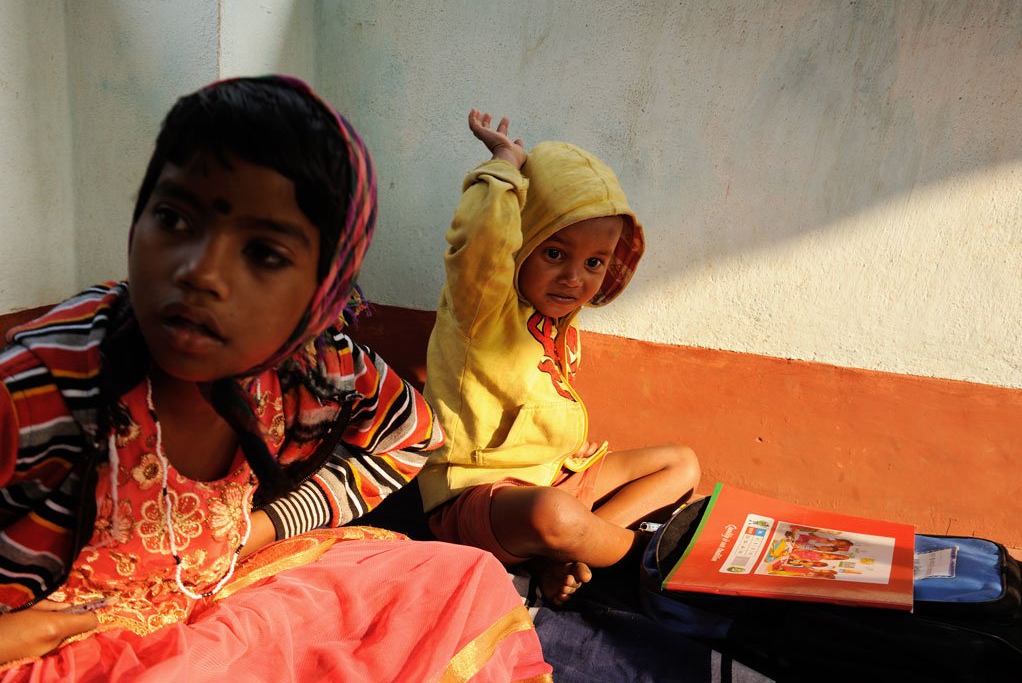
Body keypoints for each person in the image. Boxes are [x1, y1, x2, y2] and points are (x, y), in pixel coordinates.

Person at [0, 78, 551, 682]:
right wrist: (35, 629)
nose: (201, 272)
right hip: (48, 652)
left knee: (462, 580)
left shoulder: (311, 370)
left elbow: (410, 437)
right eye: (173, 217)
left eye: (264, 253)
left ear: (322, 293)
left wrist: (260, 528)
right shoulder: (42, 393)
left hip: (212, 602)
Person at [416, 110, 701, 604]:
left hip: (558, 474)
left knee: (681, 463)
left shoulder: (557, 319)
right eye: (554, 253)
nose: (575, 278)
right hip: (483, 496)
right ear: (520, 240)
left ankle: (574, 556)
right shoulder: (483, 307)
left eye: (594, 262)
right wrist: (506, 166)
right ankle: (650, 564)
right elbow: (480, 246)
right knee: (553, 516)